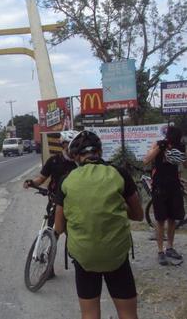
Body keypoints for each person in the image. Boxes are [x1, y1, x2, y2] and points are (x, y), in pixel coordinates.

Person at [54, 130, 143, 319]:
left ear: (76, 157)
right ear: (100, 152)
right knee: (128, 314)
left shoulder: (66, 181)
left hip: (84, 256)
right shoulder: (119, 174)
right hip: (116, 255)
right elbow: (138, 215)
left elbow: (59, 228)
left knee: (90, 314)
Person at [143, 125, 187, 265]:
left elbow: (185, 165)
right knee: (160, 220)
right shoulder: (159, 144)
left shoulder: (180, 147)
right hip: (160, 187)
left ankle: (170, 248)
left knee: (173, 219)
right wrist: (160, 147)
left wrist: (183, 153)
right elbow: (146, 160)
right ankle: (160, 251)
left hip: (174, 186)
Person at [23, 130, 79, 225]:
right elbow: (41, 179)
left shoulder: (81, 163)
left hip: (75, 203)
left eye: (76, 144)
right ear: (63, 144)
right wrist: (31, 182)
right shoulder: (53, 161)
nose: (73, 147)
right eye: (69, 143)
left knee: (73, 234)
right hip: (55, 201)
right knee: (52, 231)